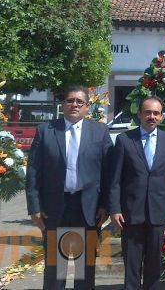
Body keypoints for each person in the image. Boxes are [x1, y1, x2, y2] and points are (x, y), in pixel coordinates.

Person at [26, 86, 113, 290]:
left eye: (79, 102)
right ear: (63, 104)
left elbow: (109, 173)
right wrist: (34, 207)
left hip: (89, 209)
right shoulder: (46, 130)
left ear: (87, 107)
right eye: (70, 100)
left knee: (85, 268)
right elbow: (33, 172)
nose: (74, 105)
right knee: (56, 267)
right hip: (55, 207)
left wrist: (105, 205)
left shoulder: (100, 132)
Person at [108, 96, 165, 290]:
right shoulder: (124, 140)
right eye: (147, 112)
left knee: (154, 264)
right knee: (132, 264)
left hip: (158, 212)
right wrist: (114, 209)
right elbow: (115, 180)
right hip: (131, 213)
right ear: (139, 114)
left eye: (156, 113)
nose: (152, 116)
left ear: (162, 117)